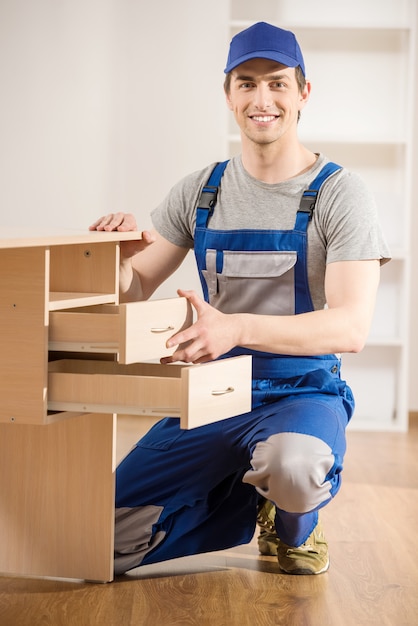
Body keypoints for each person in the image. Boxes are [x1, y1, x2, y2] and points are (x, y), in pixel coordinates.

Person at [90, 21, 390, 576]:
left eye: (277, 82)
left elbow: (350, 328)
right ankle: (243, 499)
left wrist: (236, 328)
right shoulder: (201, 190)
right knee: (95, 540)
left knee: (295, 467)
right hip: (212, 393)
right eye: (246, 83)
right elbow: (135, 288)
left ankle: (293, 521)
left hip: (300, 393)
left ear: (303, 92)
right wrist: (115, 259)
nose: (262, 99)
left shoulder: (339, 194)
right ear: (228, 95)